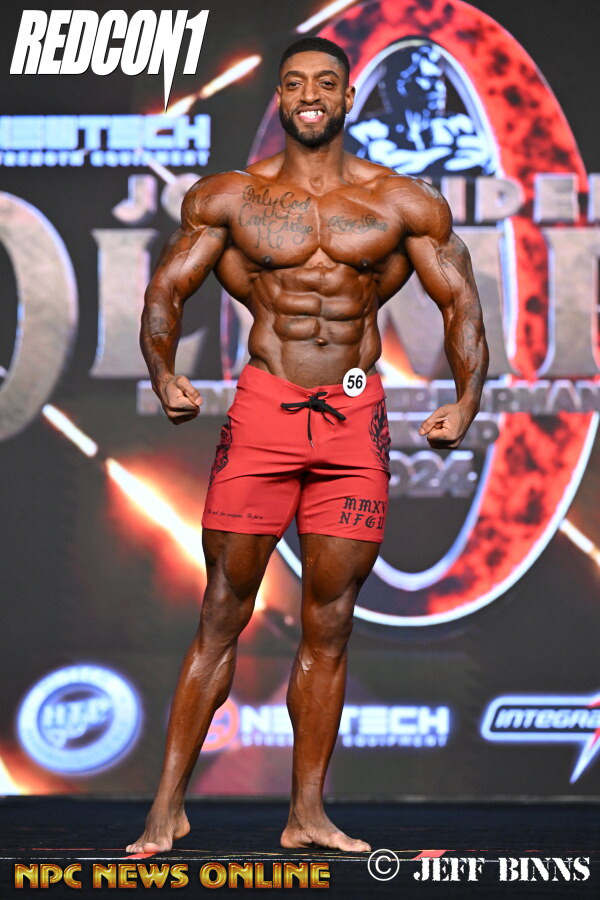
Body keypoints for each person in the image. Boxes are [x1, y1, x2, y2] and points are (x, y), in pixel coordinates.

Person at [126, 36, 488, 855]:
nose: (311, 94)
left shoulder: (403, 202)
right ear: (281, 99)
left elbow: (460, 302)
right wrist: (164, 373)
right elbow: (167, 288)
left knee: (332, 620)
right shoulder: (231, 197)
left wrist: (467, 399)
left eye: (326, 82)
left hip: (353, 419)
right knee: (223, 609)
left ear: (349, 97)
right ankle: (166, 809)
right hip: (265, 410)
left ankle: (307, 815)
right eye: (295, 83)